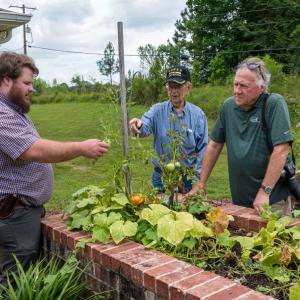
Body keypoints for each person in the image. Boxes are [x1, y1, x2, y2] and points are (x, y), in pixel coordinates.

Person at [0, 52, 110, 285]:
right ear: (6, 80)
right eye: (27, 83)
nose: (32, 89)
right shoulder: (2, 115)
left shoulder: (13, 111)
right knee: (13, 283)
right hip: (13, 218)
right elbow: (34, 150)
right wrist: (81, 147)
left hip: (20, 213)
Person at [194, 57, 293, 215]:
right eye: (236, 84)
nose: (237, 91)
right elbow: (214, 145)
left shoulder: (273, 104)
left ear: (261, 87)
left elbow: (282, 149)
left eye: (244, 86)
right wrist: (201, 183)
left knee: (273, 239)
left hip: (271, 202)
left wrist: (264, 192)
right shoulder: (228, 107)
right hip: (239, 201)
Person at [129, 65, 208, 196]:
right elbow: (144, 127)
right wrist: (138, 125)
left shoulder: (198, 115)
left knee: (187, 214)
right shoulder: (157, 110)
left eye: (177, 86)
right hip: (160, 176)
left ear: (188, 88)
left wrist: (197, 181)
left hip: (186, 179)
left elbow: (203, 150)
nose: (173, 91)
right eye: (170, 86)